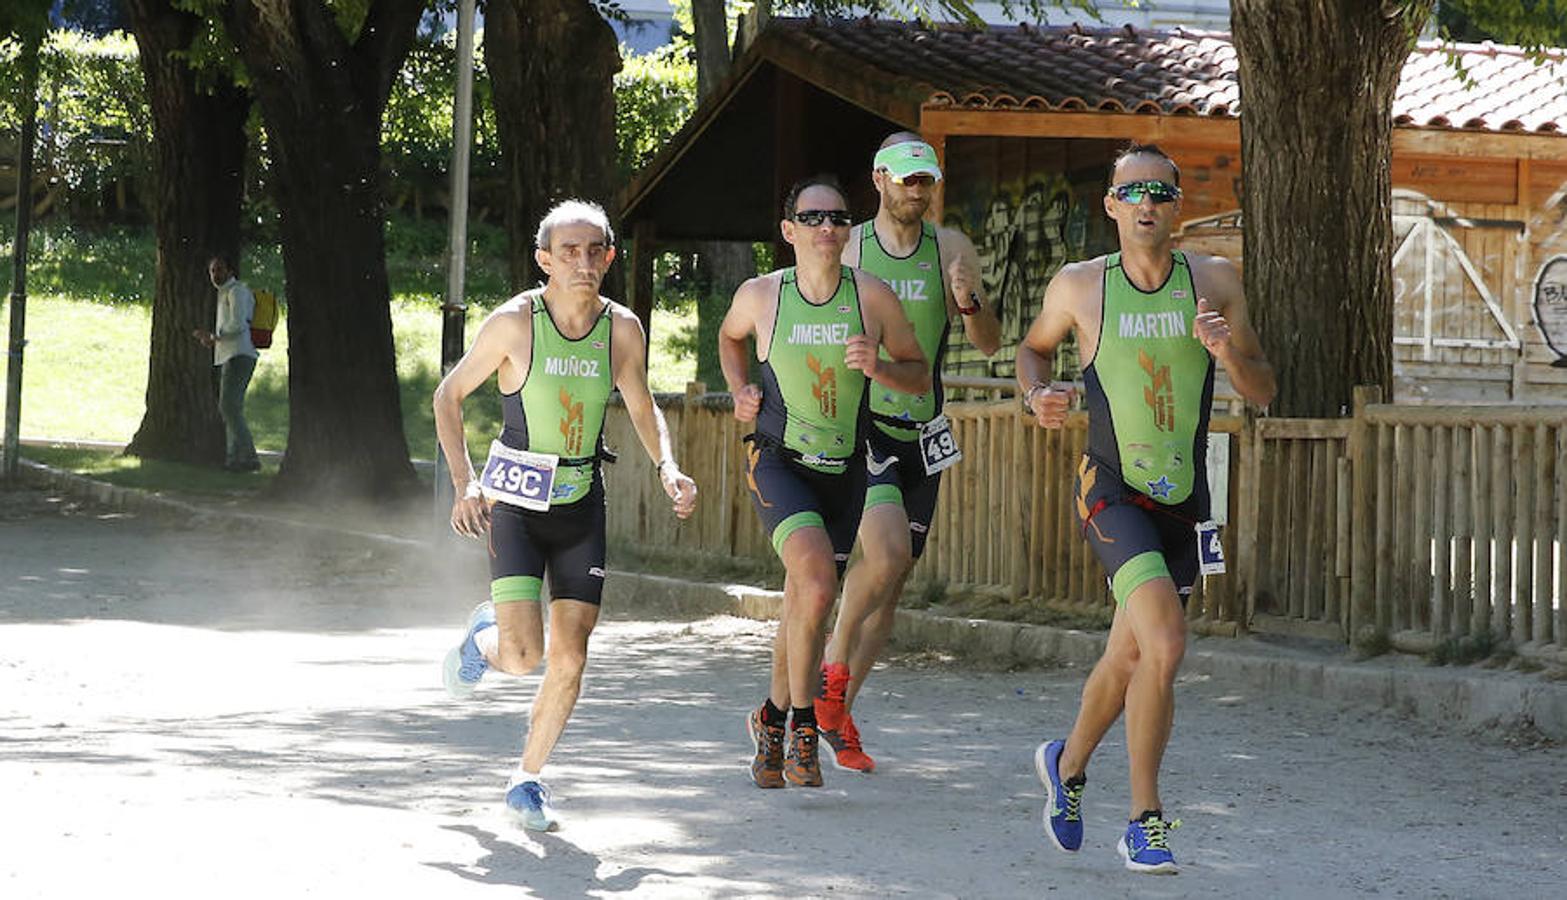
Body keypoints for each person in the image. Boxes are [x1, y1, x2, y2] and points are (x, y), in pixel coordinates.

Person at [1017, 143, 1275, 873]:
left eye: (1160, 193)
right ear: (1110, 205)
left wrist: (1226, 354)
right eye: (1132, 193)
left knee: (1128, 652)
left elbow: (1262, 389)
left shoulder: (1215, 281)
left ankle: (1065, 765)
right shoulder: (1080, 287)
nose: (1146, 205)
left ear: (1177, 207)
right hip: (1109, 490)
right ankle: (1144, 820)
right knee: (1163, 645)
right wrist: (1038, 396)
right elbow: (1032, 353)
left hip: (1184, 501)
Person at [432, 199, 698, 831]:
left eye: (595, 251)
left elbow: (640, 403)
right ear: (544, 259)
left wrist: (667, 466)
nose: (583, 262)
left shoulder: (622, 328)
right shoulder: (515, 323)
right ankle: (483, 638)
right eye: (569, 251)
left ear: (608, 257)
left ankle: (527, 780)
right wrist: (465, 483)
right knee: (525, 658)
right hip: (516, 504)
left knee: (571, 655)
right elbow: (448, 395)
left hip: (581, 502)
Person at [719, 174, 929, 789]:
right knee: (813, 581)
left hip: (846, 468)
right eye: (811, 219)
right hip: (778, 459)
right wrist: (741, 389)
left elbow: (919, 375)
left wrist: (881, 367)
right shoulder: (761, 296)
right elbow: (731, 338)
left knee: (808, 602)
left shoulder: (873, 297)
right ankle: (805, 725)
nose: (826, 228)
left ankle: (770, 716)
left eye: (836, 218)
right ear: (789, 232)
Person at [814, 132, 1002, 774]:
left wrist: (970, 300)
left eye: (925, 181)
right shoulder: (850, 247)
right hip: (861, 424)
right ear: (879, 180)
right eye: (905, 179)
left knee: (891, 586)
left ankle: (836, 717)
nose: (915, 191)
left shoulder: (951, 248)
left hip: (923, 427)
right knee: (886, 553)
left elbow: (988, 342)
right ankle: (828, 670)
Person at [193, 255, 261, 473]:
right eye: (212, 271)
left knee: (228, 407)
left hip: (239, 356)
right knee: (232, 409)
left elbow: (238, 325)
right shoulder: (225, 293)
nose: (215, 275)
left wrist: (214, 336)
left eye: (220, 270)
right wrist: (214, 340)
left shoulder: (236, 291)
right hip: (230, 355)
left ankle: (249, 457)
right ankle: (234, 461)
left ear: (230, 271)